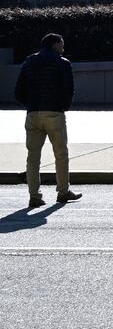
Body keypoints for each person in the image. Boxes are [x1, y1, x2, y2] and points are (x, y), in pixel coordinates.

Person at [14, 33, 82, 208]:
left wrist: (30, 105)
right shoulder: (62, 63)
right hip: (54, 113)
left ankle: (34, 196)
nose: (63, 48)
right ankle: (63, 191)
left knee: (33, 156)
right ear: (54, 45)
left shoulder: (29, 62)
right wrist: (63, 107)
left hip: (33, 113)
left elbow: (18, 91)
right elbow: (69, 89)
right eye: (61, 44)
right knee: (61, 154)